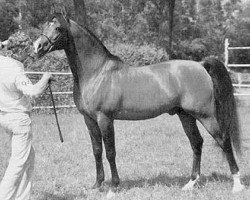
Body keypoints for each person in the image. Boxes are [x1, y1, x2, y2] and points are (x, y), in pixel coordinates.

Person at [0, 42, 52, 200]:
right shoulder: (15, 69)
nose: (30, 54)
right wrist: (45, 77)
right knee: (17, 163)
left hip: (5, 116)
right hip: (19, 120)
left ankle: (22, 197)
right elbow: (34, 91)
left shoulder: (3, 63)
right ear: (21, 50)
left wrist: (7, 42)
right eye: (28, 50)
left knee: (28, 158)